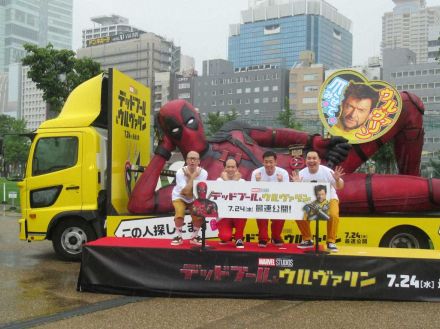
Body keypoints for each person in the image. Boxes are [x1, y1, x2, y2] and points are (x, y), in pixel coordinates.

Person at [128, 95, 439, 221]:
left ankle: (412, 180)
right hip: (314, 194)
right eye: (176, 130)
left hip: (324, 163)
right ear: (171, 137)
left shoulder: (234, 132)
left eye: (189, 121)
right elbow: (138, 205)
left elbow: (279, 135)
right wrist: (162, 149)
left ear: (199, 116)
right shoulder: (196, 178)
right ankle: (418, 191)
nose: (187, 130)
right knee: (433, 192)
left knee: (405, 105)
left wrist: (320, 142)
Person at [291, 151, 345, 252]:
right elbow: (297, 194)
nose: (311, 161)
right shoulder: (301, 174)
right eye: (309, 158)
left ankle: (331, 241)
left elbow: (340, 187)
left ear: (319, 161)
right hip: (310, 200)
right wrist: (296, 185)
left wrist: (337, 180)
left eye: (314, 158)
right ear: (305, 161)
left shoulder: (327, 171)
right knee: (298, 213)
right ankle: (307, 239)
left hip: (329, 198)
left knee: (333, 215)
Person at [251, 151, 290, 248]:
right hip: (262, 201)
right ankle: (263, 239)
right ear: (263, 162)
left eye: (271, 162)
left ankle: (276, 237)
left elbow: (287, 192)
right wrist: (258, 182)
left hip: (278, 201)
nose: (268, 164)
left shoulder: (283, 173)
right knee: (260, 213)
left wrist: (281, 182)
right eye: (266, 162)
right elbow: (253, 191)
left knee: (281, 213)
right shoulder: (256, 173)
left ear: (276, 162)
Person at [170, 150, 208, 246]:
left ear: (199, 162)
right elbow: (185, 192)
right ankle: (178, 236)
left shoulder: (204, 173)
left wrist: (191, 177)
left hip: (194, 197)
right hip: (179, 196)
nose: (192, 161)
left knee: (198, 217)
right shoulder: (180, 172)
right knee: (179, 212)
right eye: (190, 158)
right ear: (186, 160)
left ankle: (194, 237)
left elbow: (198, 192)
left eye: (195, 159)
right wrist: (193, 177)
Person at [216, 158, 247, 248]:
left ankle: (239, 238)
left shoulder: (242, 182)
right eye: (228, 167)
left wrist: (234, 181)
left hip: (237, 213)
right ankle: (226, 236)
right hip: (223, 216)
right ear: (224, 168)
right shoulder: (219, 181)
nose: (230, 169)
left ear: (237, 169)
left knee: (242, 213)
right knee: (225, 237)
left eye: (233, 167)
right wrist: (228, 181)